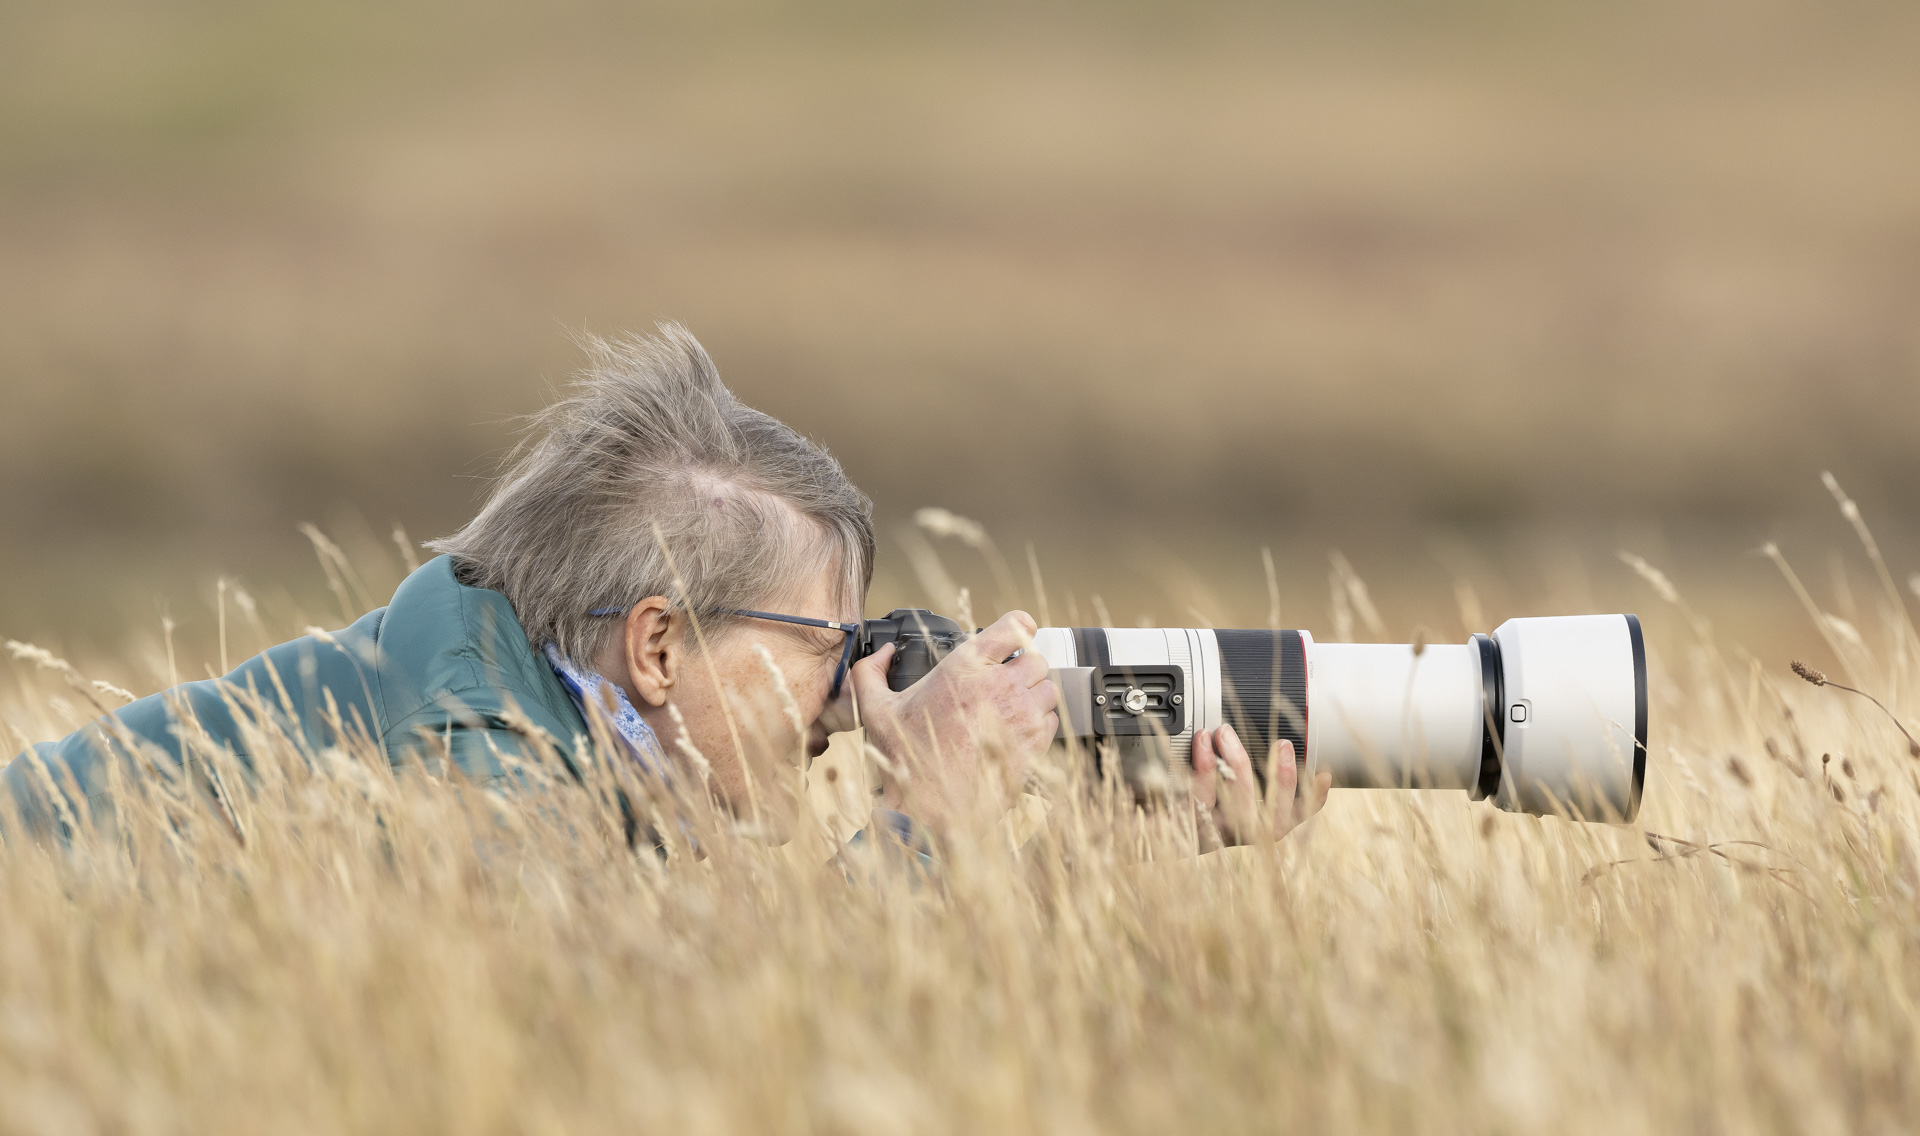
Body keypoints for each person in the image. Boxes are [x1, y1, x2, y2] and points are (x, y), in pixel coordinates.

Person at [2, 325, 1325, 849]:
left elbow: (739, 965)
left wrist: (1125, 845)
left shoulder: (557, 723)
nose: (838, 698)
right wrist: (928, 803)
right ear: (654, 649)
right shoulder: (471, 761)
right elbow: (681, 1042)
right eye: (822, 644)